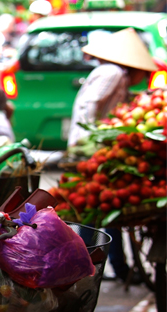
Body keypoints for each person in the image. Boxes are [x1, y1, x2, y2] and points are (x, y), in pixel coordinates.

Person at [70, 28, 157, 283]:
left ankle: (116, 266)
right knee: (97, 210)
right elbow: (91, 105)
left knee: (105, 210)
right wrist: (96, 135)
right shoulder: (113, 72)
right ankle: (89, 267)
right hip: (92, 148)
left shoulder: (113, 75)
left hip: (96, 148)